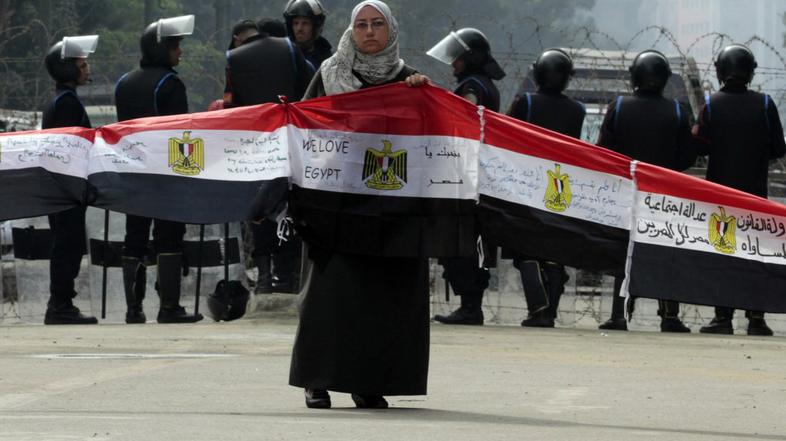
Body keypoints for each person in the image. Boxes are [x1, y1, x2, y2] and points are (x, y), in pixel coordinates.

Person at [288, 0, 431, 409]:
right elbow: (304, 126)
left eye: (377, 24)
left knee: (381, 295)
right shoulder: (330, 74)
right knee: (328, 293)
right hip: (334, 203)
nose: (369, 32)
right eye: (362, 25)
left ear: (391, 31)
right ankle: (316, 380)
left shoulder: (409, 81)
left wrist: (423, 99)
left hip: (391, 208)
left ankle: (369, 381)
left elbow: (431, 138)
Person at [596, 50, 696, 333]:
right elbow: (689, 155)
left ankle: (619, 314)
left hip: (626, 191)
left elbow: (604, 151)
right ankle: (669, 316)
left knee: (624, 252)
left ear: (635, 76)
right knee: (666, 251)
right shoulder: (677, 110)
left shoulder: (619, 107)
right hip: (664, 194)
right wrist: (666, 170)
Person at [114, 15, 202, 324]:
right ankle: (169, 307)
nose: (180, 51)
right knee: (169, 236)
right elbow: (180, 132)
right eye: (176, 46)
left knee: (134, 237)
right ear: (161, 49)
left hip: (133, 171)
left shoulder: (124, 83)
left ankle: (133, 309)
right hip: (164, 173)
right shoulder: (170, 83)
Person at [695, 44, 785, 336]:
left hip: (719, 198)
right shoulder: (765, 104)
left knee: (722, 254)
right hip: (754, 196)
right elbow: (778, 148)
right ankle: (756, 319)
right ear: (750, 72)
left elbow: (699, 146)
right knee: (755, 255)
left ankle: (723, 318)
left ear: (721, 71)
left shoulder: (711, 104)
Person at [224, 15, 312, 294]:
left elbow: (230, 105)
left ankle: (263, 277)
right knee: (288, 208)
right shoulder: (289, 49)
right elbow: (310, 88)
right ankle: (288, 277)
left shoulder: (234, 57)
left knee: (259, 209)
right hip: (289, 142)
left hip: (254, 145)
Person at [426, 27, 505, 326]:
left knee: (460, 239)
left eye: (457, 57)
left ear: (471, 58)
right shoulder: (486, 85)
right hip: (476, 172)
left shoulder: (473, 87)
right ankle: (472, 306)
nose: (453, 64)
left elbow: (463, 124)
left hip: (462, 174)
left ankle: (470, 307)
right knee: (472, 240)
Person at [505, 48, 584, 328]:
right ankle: (549, 311)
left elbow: (506, 134)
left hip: (528, 182)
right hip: (561, 183)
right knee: (554, 250)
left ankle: (538, 310)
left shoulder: (525, 102)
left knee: (527, 249)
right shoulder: (577, 110)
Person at [41, 35, 100, 325]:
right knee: (68, 244)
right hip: (67, 185)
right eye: (82, 64)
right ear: (67, 68)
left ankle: (61, 303)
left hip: (61, 185)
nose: (88, 69)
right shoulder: (66, 103)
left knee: (68, 242)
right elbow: (70, 146)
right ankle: (60, 305)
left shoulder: (62, 99)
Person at [283, 0, 333, 70]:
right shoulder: (283, 54)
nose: (299, 28)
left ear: (316, 27)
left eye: (305, 23)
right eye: (296, 23)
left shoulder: (327, 60)